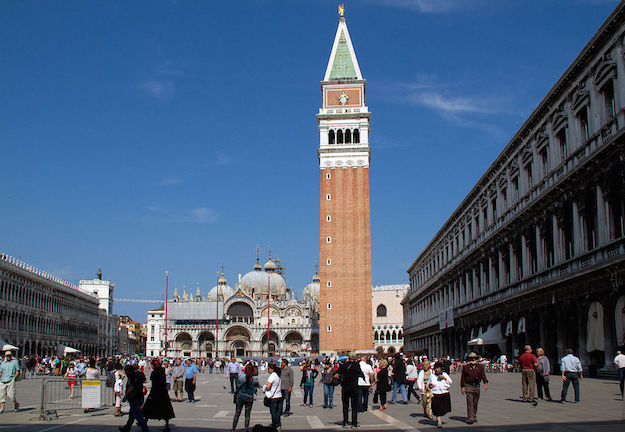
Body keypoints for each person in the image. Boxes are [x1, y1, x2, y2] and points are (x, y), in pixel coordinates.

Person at [142, 359, 175, 432]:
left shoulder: (155, 373)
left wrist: (151, 394)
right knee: (165, 409)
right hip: (163, 392)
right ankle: (167, 425)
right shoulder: (162, 371)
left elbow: (154, 385)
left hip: (156, 392)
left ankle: (144, 422)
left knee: (148, 407)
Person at [334, 353, 365, 428]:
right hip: (354, 388)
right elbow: (361, 374)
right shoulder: (356, 365)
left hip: (345, 388)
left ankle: (345, 422)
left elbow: (336, 374)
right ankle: (354, 423)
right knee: (354, 406)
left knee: (345, 405)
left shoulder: (344, 365)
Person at [460, 353, 488, 425]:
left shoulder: (480, 367)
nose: (473, 360)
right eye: (471, 358)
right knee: (470, 402)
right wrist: (462, 387)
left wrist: (485, 383)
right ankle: (470, 418)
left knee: (475, 402)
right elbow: (463, 377)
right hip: (468, 386)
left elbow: (483, 375)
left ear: (476, 359)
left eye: (474, 358)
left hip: (477, 386)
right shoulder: (466, 367)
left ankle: (474, 416)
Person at [120, 365, 149, 432]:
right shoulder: (140, 374)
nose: (125, 372)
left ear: (129, 370)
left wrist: (126, 396)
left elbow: (131, 387)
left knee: (138, 416)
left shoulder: (132, 376)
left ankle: (145, 429)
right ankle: (127, 427)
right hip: (140, 396)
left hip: (134, 397)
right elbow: (144, 381)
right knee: (132, 415)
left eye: (126, 371)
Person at [232, 363, 260, 432]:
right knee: (247, 414)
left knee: (237, 413)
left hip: (241, 396)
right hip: (249, 397)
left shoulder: (241, 377)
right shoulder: (254, 378)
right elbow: (257, 385)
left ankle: (233, 428)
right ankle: (246, 428)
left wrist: (235, 394)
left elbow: (238, 386)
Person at [429, 362, 452, 428]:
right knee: (437, 408)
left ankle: (439, 417)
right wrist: (429, 385)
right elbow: (429, 383)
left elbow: (450, 382)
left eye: (438, 368)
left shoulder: (444, 374)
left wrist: (445, 378)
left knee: (443, 408)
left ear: (441, 369)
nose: (436, 369)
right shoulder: (432, 376)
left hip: (444, 393)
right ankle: (439, 421)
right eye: (435, 368)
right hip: (435, 394)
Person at [264, 362, 282, 430]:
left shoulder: (272, 375)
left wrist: (265, 387)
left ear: (271, 369)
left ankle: (274, 425)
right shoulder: (278, 375)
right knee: (278, 411)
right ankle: (278, 424)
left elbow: (268, 386)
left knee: (273, 412)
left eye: (268, 368)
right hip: (279, 395)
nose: (267, 370)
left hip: (273, 397)